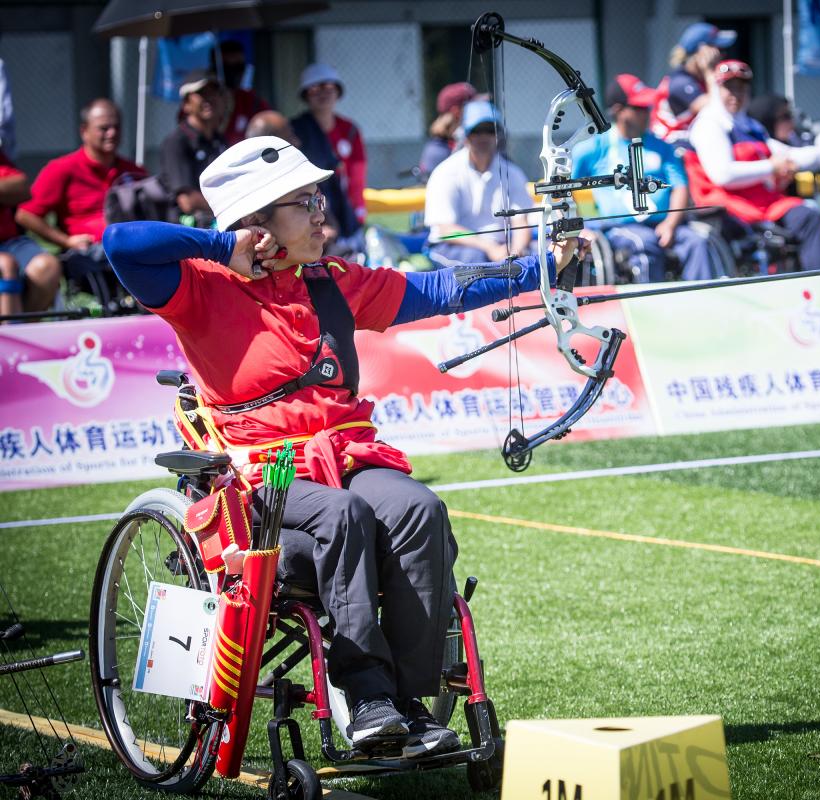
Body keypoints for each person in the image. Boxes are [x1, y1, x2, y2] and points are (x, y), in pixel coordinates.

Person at [102, 135, 584, 756]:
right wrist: (225, 247)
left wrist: (542, 268)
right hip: (258, 479)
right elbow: (120, 245)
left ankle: (407, 707)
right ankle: (366, 699)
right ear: (258, 224)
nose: (321, 212)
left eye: (317, 198)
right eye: (303, 202)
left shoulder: (331, 282)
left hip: (345, 459)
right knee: (343, 513)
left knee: (418, 509)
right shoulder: (200, 287)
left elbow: (439, 291)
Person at [688, 60, 820, 271]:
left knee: (810, 213)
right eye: (729, 87)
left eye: (741, 88)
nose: (736, 94)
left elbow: (788, 155)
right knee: (809, 219)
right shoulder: (709, 124)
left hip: (763, 203)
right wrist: (770, 168)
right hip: (730, 208)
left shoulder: (750, 125)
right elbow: (722, 174)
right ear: (717, 89)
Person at [573, 74, 716, 282]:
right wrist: (580, 228)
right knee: (643, 243)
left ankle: (703, 304)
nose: (646, 113)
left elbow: (680, 186)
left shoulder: (663, 147)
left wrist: (671, 224)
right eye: (638, 108)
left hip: (665, 225)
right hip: (620, 228)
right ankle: (651, 308)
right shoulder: (593, 148)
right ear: (618, 110)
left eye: (647, 107)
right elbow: (562, 189)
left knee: (699, 242)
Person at [15, 98, 141, 295]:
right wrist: (67, 241)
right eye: (104, 128)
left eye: (116, 127)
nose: (112, 133)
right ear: (84, 131)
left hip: (133, 248)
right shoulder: (61, 169)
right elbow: (25, 214)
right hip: (90, 256)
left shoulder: (132, 171)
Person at [424, 100, 533, 266]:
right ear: (465, 135)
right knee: (478, 262)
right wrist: (490, 248)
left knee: (538, 256)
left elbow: (521, 222)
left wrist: (516, 251)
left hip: (501, 248)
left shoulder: (513, 172)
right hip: (450, 247)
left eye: (490, 130)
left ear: (497, 135)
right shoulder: (445, 172)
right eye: (476, 131)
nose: (483, 137)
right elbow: (446, 230)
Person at [247, 110, 358, 257]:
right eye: (289, 138)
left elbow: (330, 224)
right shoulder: (250, 190)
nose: (297, 142)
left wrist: (324, 233)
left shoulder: (300, 177)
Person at [293, 64, 367, 228]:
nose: (322, 93)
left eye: (328, 87)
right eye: (314, 88)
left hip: (345, 208)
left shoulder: (350, 130)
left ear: (338, 91)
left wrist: (358, 210)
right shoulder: (296, 131)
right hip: (312, 210)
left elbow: (357, 175)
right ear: (305, 95)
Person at [160, 70, 227, 228]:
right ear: (186, 104)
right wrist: (232, 207)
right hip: (188, 232)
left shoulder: (220, 141)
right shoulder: (175, 142)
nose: (209, 98)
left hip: (218, 221)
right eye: (202, 93)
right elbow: (187, 201)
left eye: (214, 92)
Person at [649, 22, 736, 143]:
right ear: (700, 53)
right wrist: (709, 71)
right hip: (673, 150)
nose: (722, 56)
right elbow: (716, 109)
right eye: (718, 50)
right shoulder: (679, 82)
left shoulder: (700, 79)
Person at [1, 150, 61, 317]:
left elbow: (22, 187)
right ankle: (9, 337)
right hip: (5, 258)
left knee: (47, 266)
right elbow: (27, 214)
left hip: (10, 242)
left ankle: (24, 334)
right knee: (6, 265)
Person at [213, 40, 272, 146]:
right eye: (229, 68)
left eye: (239, 67)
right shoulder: (204, 103)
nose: (236, 73)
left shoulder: (251, 100)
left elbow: (271, 123)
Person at [419, 82, 478, 182]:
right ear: (457, 112)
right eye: (474, 107)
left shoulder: (457, 141)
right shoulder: (437, 151)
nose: (480, 111)